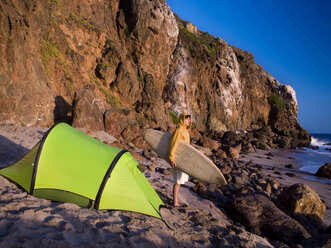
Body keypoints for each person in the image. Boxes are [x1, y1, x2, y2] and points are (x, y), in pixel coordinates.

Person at [168, 113, 191, 207]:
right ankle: (175, 202)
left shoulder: (185, 130)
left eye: (189, 119)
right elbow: (174, 143)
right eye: (187, 119)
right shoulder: (179, 130)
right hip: (177, 158)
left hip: (183, 159)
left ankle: (175, 200)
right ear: (182, 119)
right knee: (177, 181)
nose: (189, 120)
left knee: (180, 181)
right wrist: (171, 158)